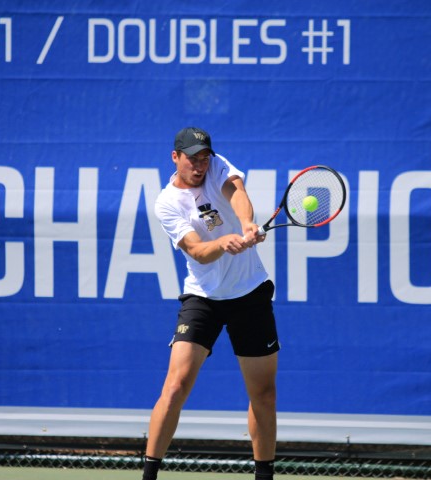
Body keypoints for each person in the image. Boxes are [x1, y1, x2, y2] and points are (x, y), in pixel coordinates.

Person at [142, 127, 279, 480]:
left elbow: (236, 191)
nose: (200, 165)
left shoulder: (216, 166)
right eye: (192, 159)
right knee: (174, 388)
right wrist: (225, 242)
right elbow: (197, 252)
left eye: (204, 157)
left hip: (250, 293)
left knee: (262, 393)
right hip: (203, 298)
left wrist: (247, 224)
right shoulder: (166, 202)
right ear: (175, 157)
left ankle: (264, 476)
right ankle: (149, 475)